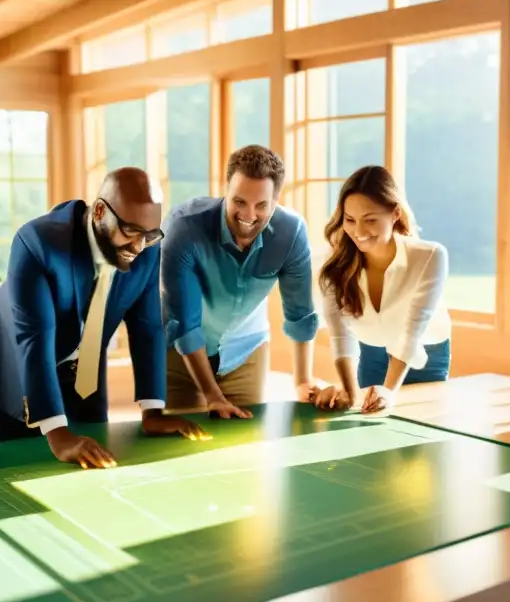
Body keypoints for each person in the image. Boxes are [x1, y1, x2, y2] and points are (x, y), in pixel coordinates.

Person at [0, 167, 207, 469]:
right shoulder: (37, 242)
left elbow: (147, 328)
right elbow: (34, 337)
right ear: (100, 211)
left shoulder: (144, 246)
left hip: (84, 360)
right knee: (22, 461)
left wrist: (153, 413)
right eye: (130, 230)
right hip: (13, 351)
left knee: (94, 447)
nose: (138, 246)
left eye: (150, 235)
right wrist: (58, 435)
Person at [160, 145, 319, 418]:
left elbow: (300, 314)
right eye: (239, 202)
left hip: (246, 351)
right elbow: (186, 325)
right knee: (183, 443)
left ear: (276, 201)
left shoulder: (290, 233)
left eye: (261, 205)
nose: (248, 216)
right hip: (178, 354)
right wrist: (213, 396)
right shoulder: (183, 227)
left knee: (243, 448)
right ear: (226, 191)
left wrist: (302, 381)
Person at [314, 165, 450, 415]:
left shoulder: (430, 256)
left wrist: (390, 390)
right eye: (350, 220)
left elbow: (412, 331)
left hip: (425, 356)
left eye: (370, 220)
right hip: (372, 351)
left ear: (395, 213)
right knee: (371, 426)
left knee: (424, 437)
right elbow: (340, 334)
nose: (359, 232)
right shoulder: (333, 263)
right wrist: (348, 388)